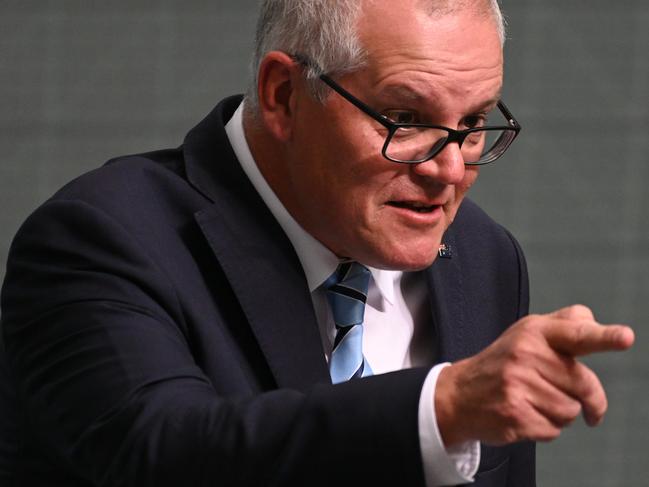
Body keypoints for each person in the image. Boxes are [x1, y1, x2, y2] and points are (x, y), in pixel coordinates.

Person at [0, 0, 634, 486]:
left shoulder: (485, 256)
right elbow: (161, 453)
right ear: (283, 97)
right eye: (406, 119)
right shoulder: (102, 235)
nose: (447, 170)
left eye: (471, 125)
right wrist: (437, 409)